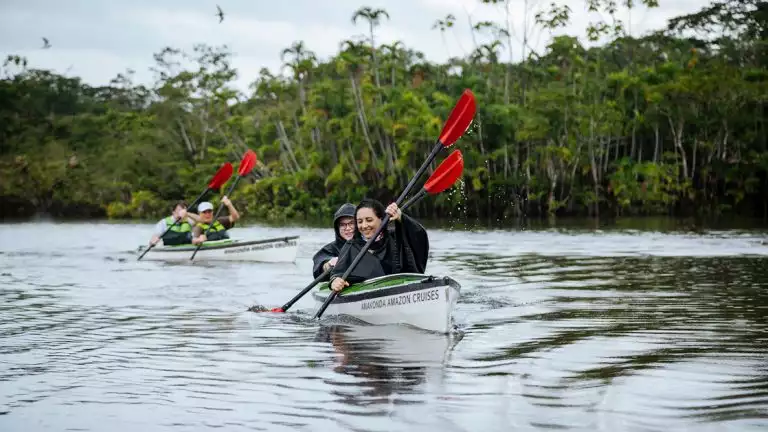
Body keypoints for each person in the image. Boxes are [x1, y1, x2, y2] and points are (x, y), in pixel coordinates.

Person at [329, 198, 429, 292]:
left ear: (381, 219)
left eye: (369, 220)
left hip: (401, 290)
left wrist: (401, 217)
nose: (364, 226)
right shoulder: (351, 246)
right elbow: (337, 273)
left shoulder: (395, 238)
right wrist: (335, 281)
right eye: (359, 222)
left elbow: (419, 237)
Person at [312, 203, 356, 280]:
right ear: (337, 227)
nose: (348, 228)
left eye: (351, 223)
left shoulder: (368, 243)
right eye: (342, 225)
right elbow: (319, 266)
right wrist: (328, 265)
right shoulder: (330, 249)